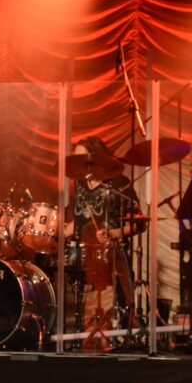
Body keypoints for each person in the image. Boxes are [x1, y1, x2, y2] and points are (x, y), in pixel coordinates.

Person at [65, 136, 144, 336]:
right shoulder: (80, 185)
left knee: (113, 311)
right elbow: (79, 218)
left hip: (113, 256)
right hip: (86, 257)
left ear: (97, 158)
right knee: (88, 313)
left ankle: (119, 334)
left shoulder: (118, 183)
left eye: (82, 159)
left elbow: (139, 221)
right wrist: (56, 230)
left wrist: (114, 232)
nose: (78, 165)